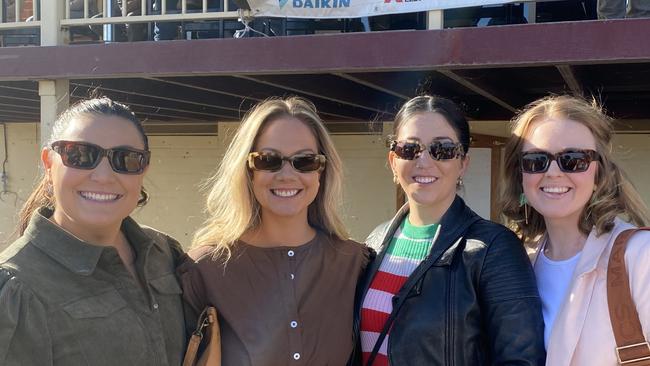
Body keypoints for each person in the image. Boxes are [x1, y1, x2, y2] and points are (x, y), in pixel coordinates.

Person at [178, 97, 371, 366]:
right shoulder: (204, 269)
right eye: (269, 160)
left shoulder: (355, 264)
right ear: (248, 170)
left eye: (305, 161)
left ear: (321, 172)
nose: (287, 175)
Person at [356, 95, 545, 366]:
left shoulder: (494, 249)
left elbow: (521, 360)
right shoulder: (376, 241)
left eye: (442, 149)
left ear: (463, 163)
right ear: (393, 161)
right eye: (409, 149)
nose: (423, 161)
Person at [0, 97, 185, 366]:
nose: (103, 175)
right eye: (80, 155)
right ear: (49, 164)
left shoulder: (164, 252)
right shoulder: (16, 290)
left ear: (143, 169)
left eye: (126, 159)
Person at [501, 95, 650, 365]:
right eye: (536, 160)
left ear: (599, 173)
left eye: (573, 159)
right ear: (520, 174)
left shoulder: (640, 256)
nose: (554, 173)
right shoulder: (515, 259)